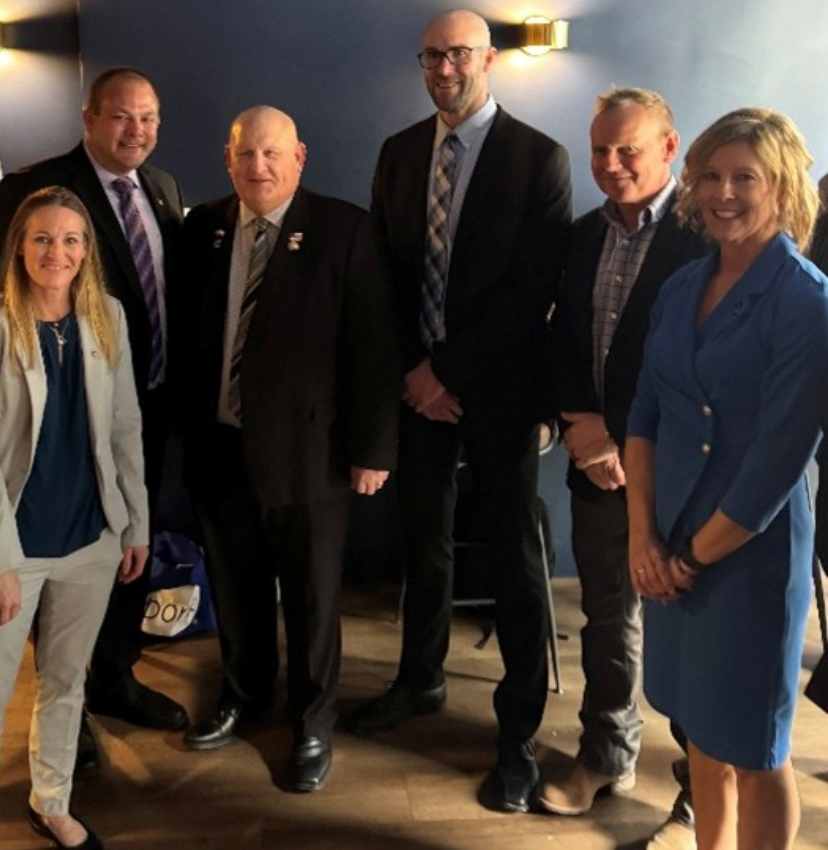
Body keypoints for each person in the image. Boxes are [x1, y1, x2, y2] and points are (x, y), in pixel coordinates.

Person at [347, 8, 572, 814]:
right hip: (418, 388)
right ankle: (420, 680)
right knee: (423, 539)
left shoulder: (538, 158)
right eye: (431, 56)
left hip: (500, 391)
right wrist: (414, 369)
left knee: (513, 558)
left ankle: (517, 735)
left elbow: (530, 292)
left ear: (489, 59)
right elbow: (382, 275)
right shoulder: (400, 153)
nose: (444, 69)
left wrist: (447, 373)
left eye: (459, 55)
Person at [174, 106, 400, 792]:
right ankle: (244, 697)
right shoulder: (203, 228)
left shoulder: (343, 229)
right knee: (237, 589)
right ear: (228, 158)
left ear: (298, 157)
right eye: (247, 155)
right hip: (219, 450)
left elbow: (375, 350)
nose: (259, 167)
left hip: (311, 457)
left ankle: (311, 722)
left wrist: (374, 450)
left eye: (272, 154)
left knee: (309, 598)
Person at [626, 108, 828, 850]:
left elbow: (775, 465)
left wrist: (686, 559)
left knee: (753, 747)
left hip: (748, 555)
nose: (724, 192)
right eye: (711, 175)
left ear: (781, 186)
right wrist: (642, 537)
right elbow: (643, 413)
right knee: (700, 736)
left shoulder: (808, 302)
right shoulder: (683, 285)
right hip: (668, 535)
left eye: (745, 176)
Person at [0, 67, 186, 770]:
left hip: (143, 406)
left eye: (150, 118)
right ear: (89, 117)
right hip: (57, 413)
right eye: (123, 117)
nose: (138, 131)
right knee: (56, 560)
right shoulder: (35, 190)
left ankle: (114, 678)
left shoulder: (162, 189)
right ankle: (65, 705)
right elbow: (0, 293)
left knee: (126, 547)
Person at [0, 186, 150, 850]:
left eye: (70, 239)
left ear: (86, 250)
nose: (56, 251)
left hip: (90, 540)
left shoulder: (107, 316)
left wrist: (135, 524)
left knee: (65, 684)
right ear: (18, 247)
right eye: (41, 238)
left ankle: (52, 799)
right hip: (8, 549)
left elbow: (125, 430)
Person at [541, 88, 706, 849]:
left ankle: (702, 793)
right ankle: (607, 752)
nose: (609, 165)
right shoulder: (578, 236)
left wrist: (623, 436)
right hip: (595, 466)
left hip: (682, 473)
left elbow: (703, 367)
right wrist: (579, 425)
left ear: (669, 148)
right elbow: (567, 344)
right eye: (599, 150)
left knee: (688, 631)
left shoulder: (708, 237)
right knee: (607, 615)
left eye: (627, 150)